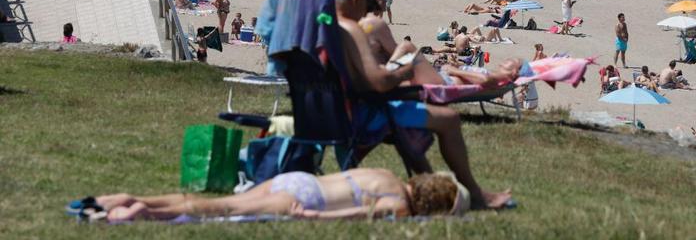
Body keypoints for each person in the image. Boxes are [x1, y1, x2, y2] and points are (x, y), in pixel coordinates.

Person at [333, 0, 512, 209]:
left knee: (409, 126)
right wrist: (403, 74)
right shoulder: (352, 29)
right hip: (363, 112)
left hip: (332, 110)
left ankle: (437, 193)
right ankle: (473, 194)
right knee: (447, 119)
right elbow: (378, 82)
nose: (371, 9)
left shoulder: (322, 25)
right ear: (357, 1)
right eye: (368, 3)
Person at [86, 168, 470, 222]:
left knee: (228, 203)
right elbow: (361, 214)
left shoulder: (386, 173)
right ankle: (141, 212)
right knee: (220, 209)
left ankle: (133, 197)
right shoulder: (401, 206)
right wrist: (316, 218)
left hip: (299, 179)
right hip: (308, 201)